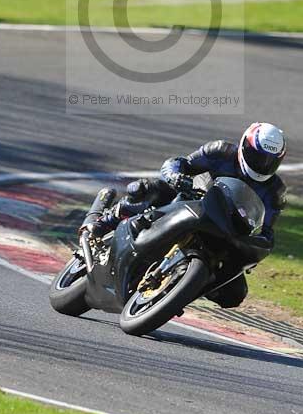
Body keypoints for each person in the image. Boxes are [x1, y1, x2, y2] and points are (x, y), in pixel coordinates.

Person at [81, 122, 288, 308]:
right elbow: (180, 163)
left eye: (269, 161)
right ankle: (108, 220)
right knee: (149, 189)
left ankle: (179, 291)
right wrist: (176, 176)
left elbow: (267, 230)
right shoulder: (220, 152)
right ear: (244, 147)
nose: (262, 164)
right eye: (257, 157)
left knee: (234, 294)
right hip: (193, 201)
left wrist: (259, 243)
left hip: (227, 230)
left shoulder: (274, 191)